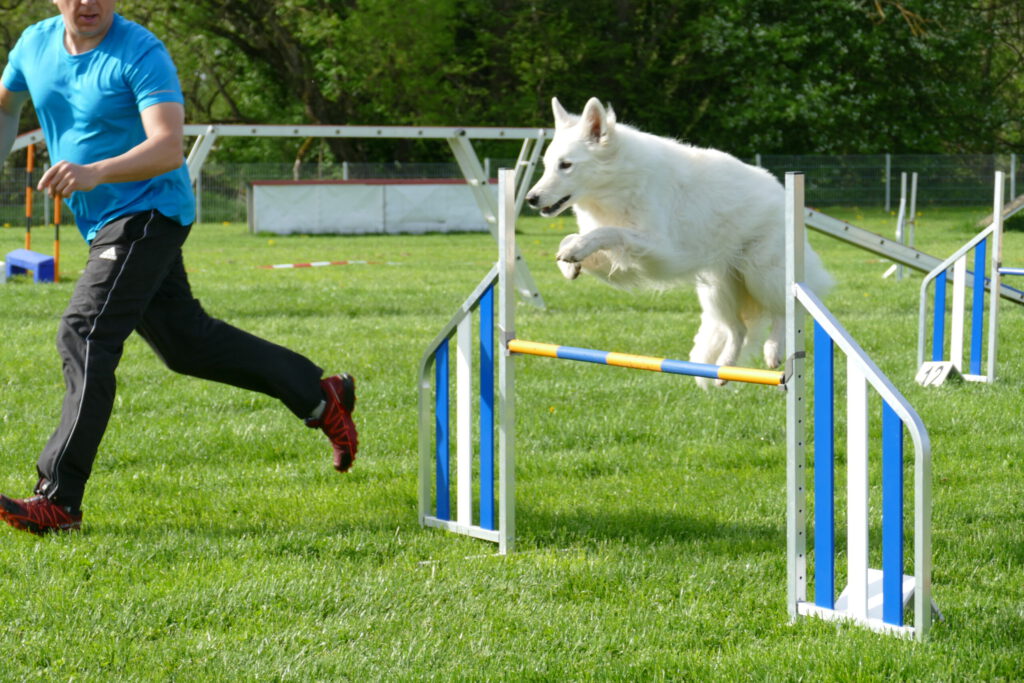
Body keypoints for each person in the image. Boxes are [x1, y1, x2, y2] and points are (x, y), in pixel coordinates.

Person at [0, 0, 358, 535]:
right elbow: (6, 106)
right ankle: (318, 396)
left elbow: (168, 148)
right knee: (185, 343)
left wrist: (95, 171)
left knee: (85, 333)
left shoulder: (141, 52)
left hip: (148, 212)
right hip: (102, 222)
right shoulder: (33, 43)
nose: (89, 2)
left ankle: (59, 501)